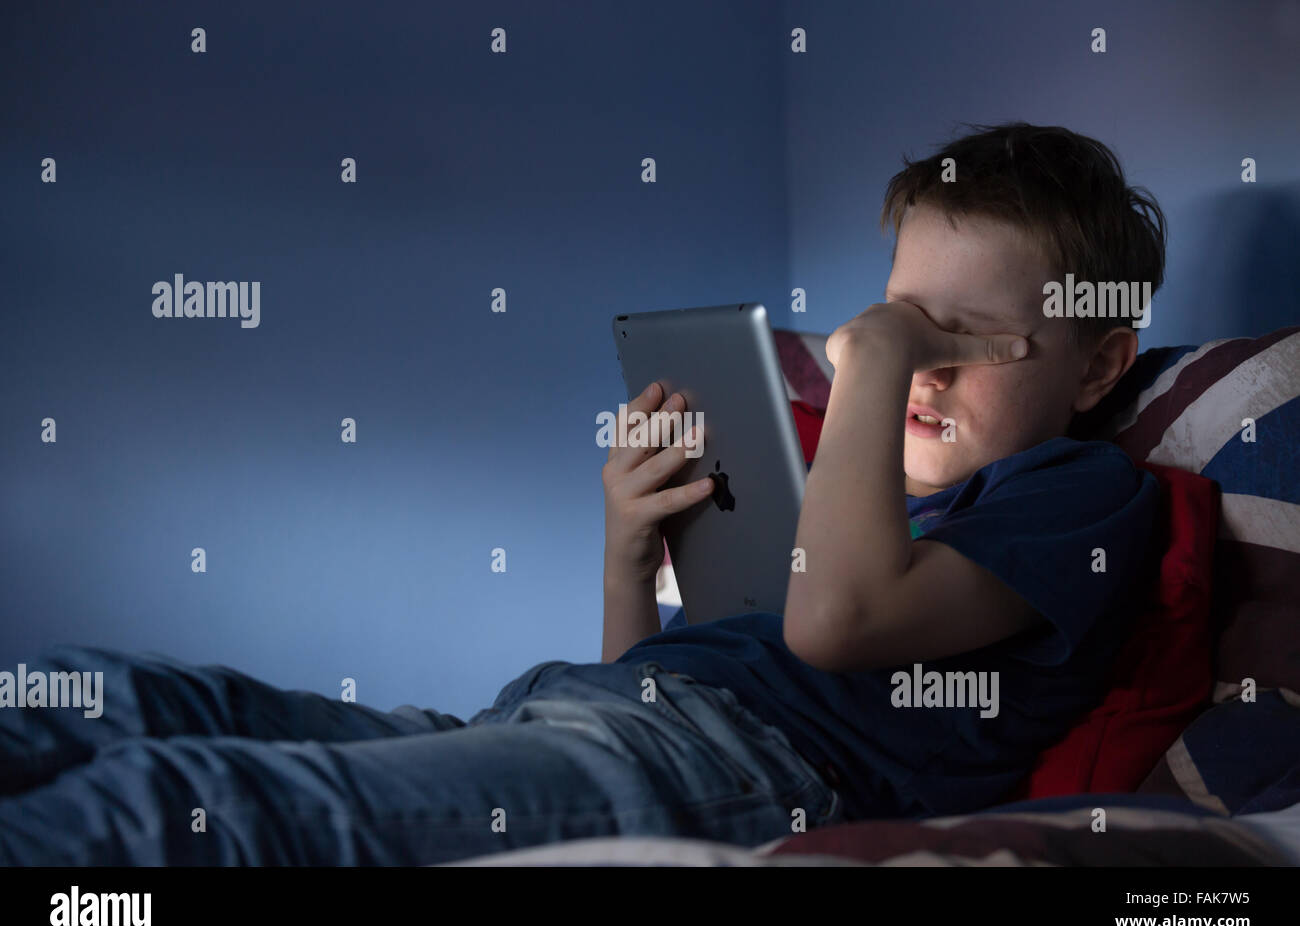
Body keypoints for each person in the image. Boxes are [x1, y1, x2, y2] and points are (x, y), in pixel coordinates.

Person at [0, 122, 1164, 864]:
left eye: (958, 334)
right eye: (905, 313)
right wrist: (626, 552)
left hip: (735, 773)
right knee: (125, 697)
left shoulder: (1076, 491)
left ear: (1100, 364)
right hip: (581, 709)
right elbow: (681, 661)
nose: (914, 358)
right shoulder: (868, 500)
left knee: (184, 806)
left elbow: (832, 623)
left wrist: (868, 360)